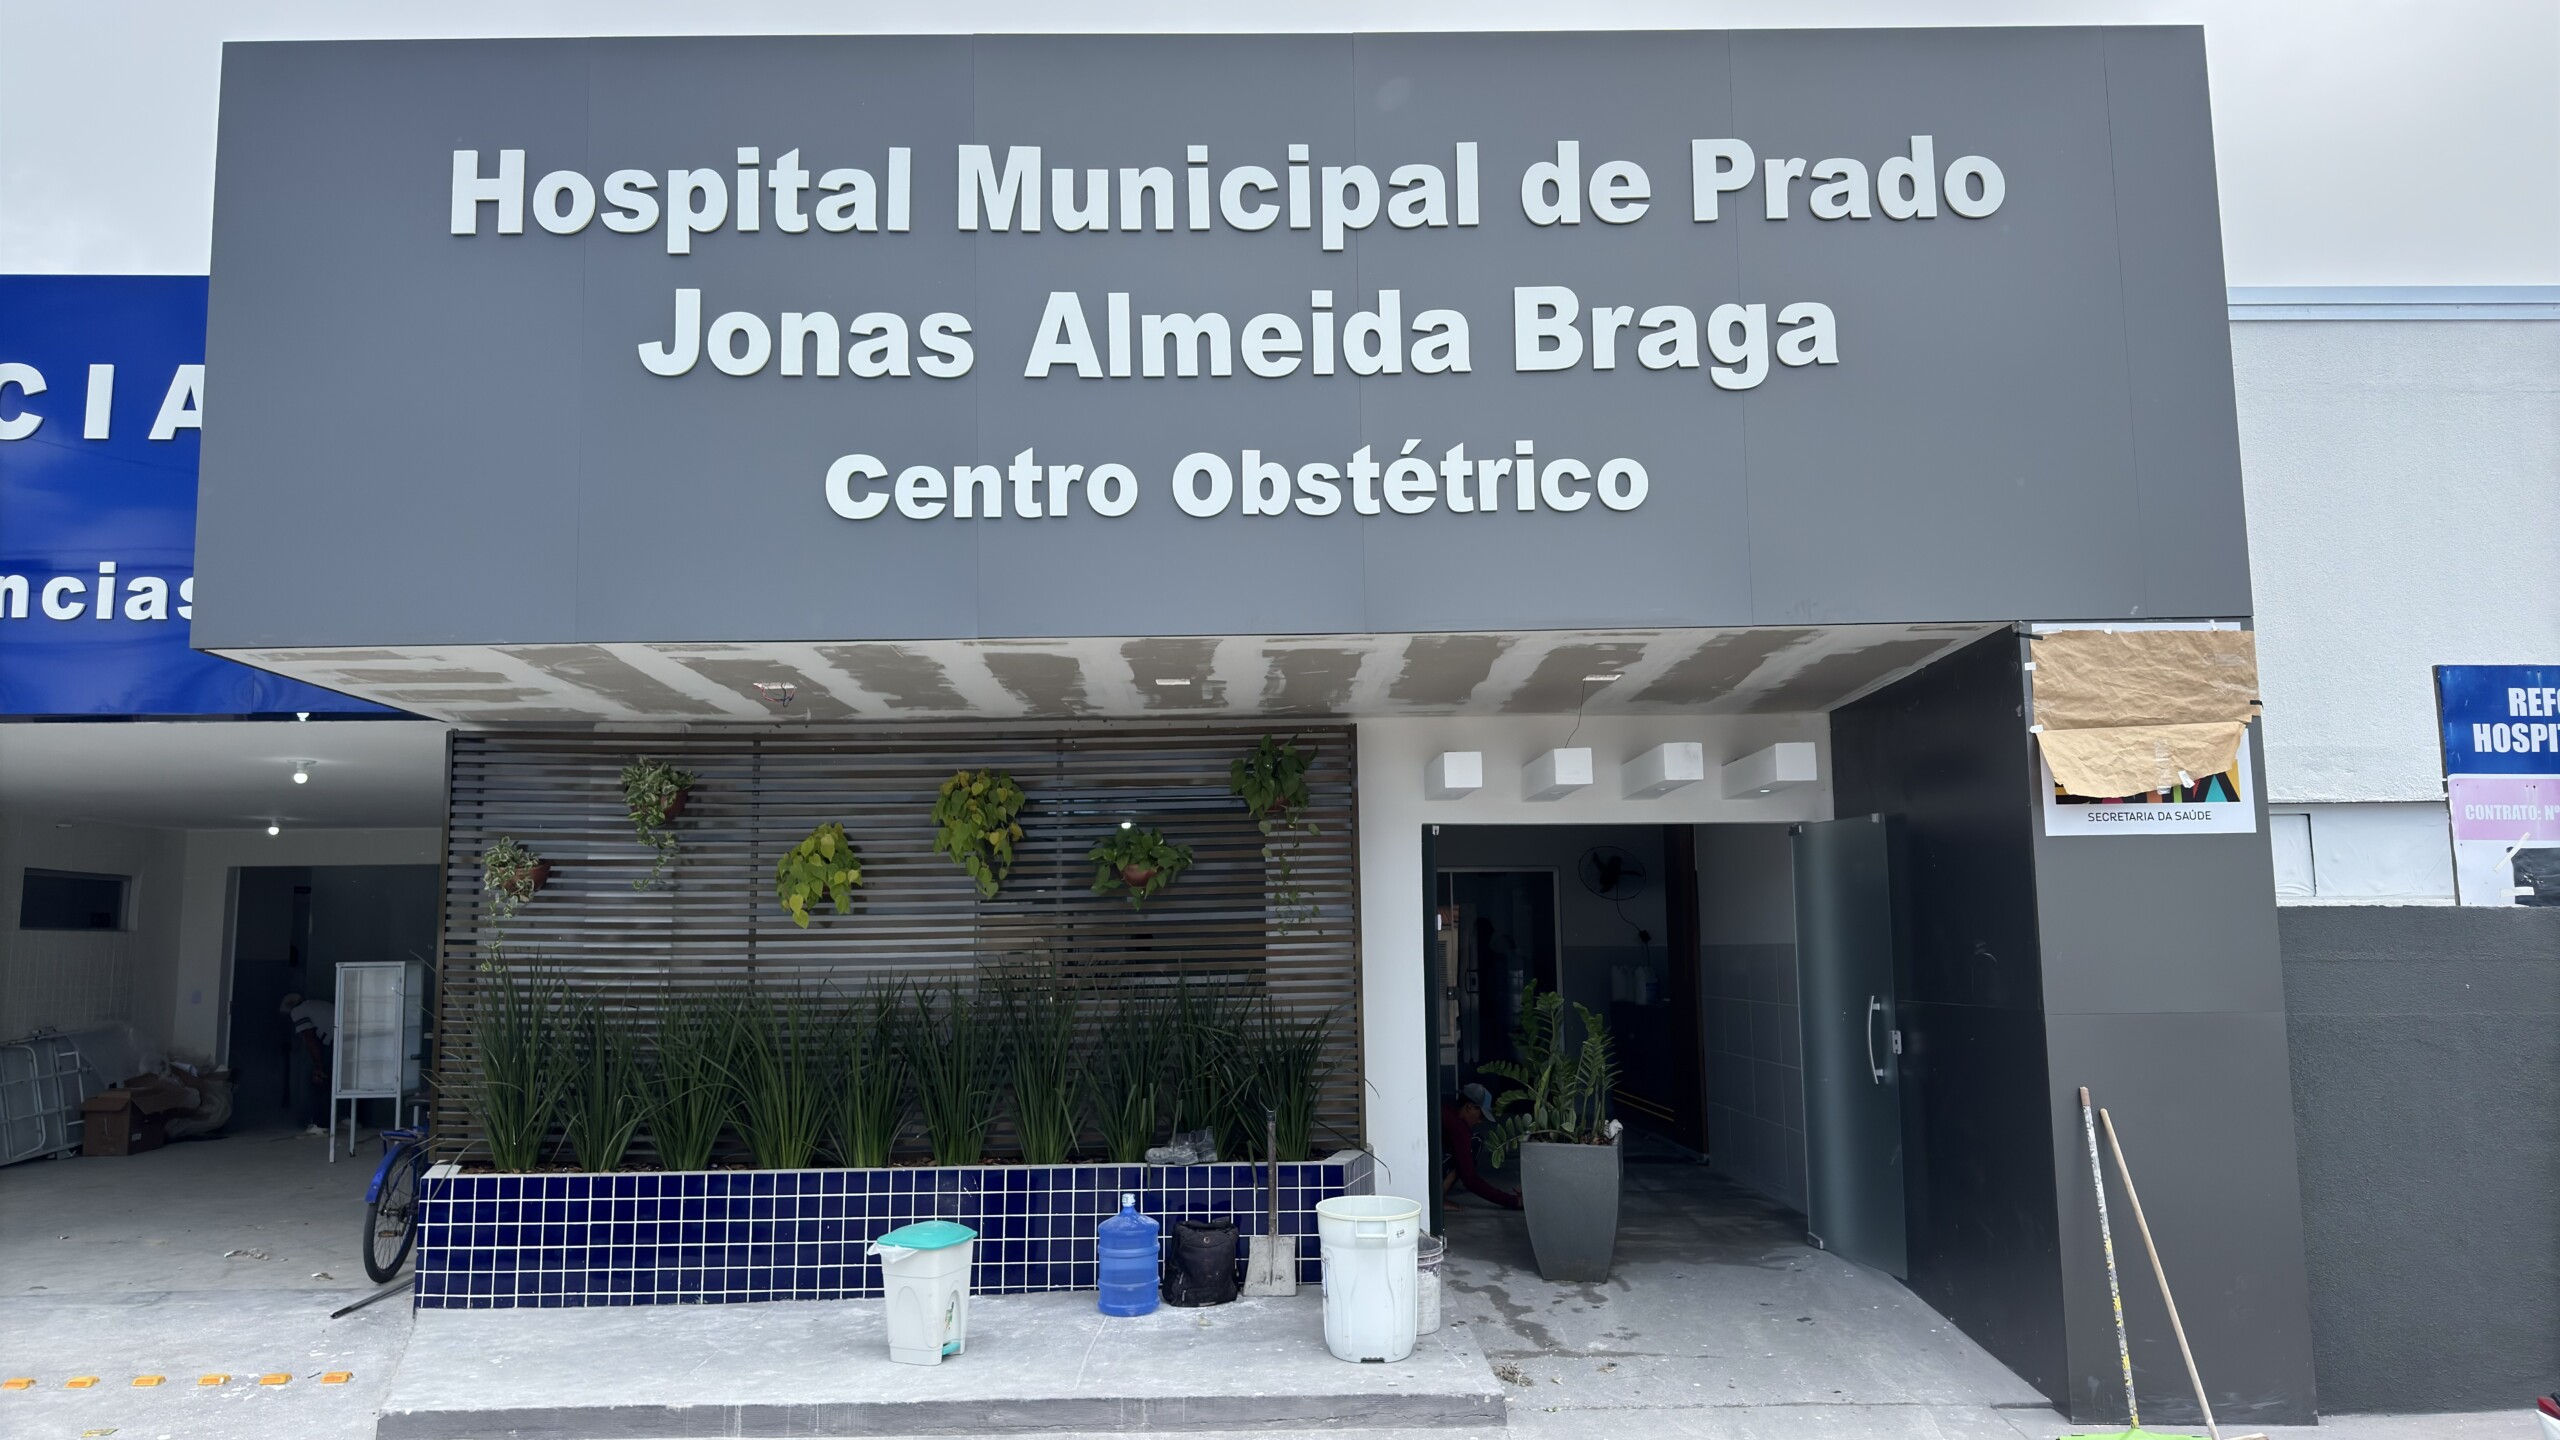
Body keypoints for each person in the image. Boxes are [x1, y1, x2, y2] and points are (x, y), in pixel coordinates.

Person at [1440, 1084, 1522, 1210]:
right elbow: (1470, 1181)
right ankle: (1437, 1200)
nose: (1480, 1121)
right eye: (1481, 1115)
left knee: (1471, 1143)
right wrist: (1514, 1201)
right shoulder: (1458, 1127)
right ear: (1469, 1107)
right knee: (1474, 1143)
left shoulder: (1445, 1110)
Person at [279, 992, 334, 1130]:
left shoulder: (298, 1011)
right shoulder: (315, 1005)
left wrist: (318, 1066)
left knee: (318, 1081)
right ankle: (343, 1118)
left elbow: (309, 1038)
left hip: (332, 1041)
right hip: (345, 1038)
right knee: (336, 1082)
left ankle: (319, 1124)